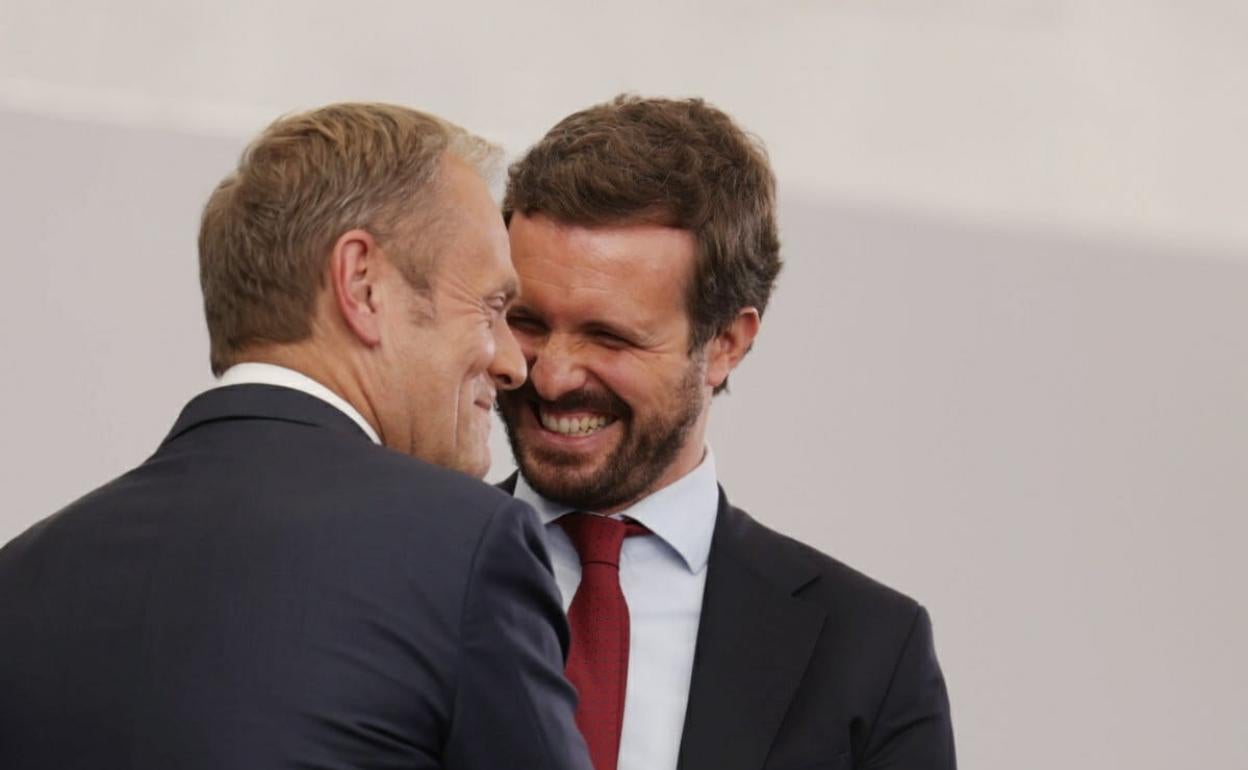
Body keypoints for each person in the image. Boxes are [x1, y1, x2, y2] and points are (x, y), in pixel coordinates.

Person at [0, 103, 591, 770]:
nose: (514, 363)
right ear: (362, 284)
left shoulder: (21, 574)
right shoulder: (466, 547)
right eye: (490, 306)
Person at [496, 95, 956, 770]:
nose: (555, 375)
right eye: (527, 322)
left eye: (609, 336)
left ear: (727, 343)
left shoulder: (870, 651)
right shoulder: (400, 577)